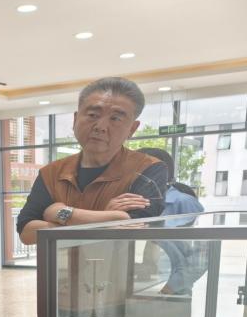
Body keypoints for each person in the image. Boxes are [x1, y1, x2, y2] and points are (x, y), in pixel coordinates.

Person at [17, 77, 168, 244]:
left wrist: (59, 213)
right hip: (57, 262)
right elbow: (26, 232)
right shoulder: (52, 172)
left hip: (117, 262)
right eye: (93, 115)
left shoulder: (148, 169)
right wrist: (106, 219)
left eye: (115, 118)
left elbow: (134, 227)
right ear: (75, 119)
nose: (100, 127)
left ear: (132, 129)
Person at [140, 147, 207, 295]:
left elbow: (200, 255)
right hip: (145, 287)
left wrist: (170, 287)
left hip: (172, 293)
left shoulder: (183, 202)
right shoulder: (139, 201)